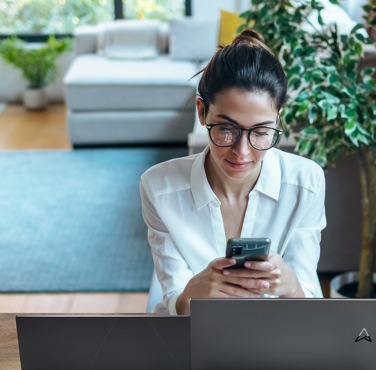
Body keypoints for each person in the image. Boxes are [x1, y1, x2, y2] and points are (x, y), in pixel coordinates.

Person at [140, 29, 326, 315]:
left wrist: (292, 286)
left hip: (275, 336)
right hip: (192, 333)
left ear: (279, 119)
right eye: (227, 129)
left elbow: (309, 309)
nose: (242, 152)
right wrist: (192, 294)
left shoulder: (306, 183)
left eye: (261, 132)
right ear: (202, 112)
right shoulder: (159, 187)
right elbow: (175, 301)